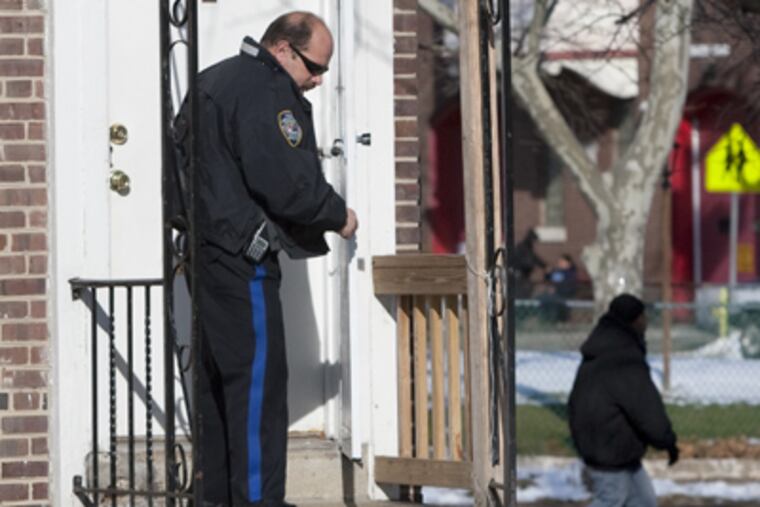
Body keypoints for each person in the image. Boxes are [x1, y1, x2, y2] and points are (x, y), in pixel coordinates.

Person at [174, 12, 357, 507]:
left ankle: (215, 497)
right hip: (242, 258)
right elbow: (289, 183)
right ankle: (257, 500)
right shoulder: (268, 92)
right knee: (257, 389)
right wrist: (338, 214)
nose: (317, 81)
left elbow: (178, 176)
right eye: (314, 67)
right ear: (282, 50)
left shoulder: (210, 80)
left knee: (217, 386)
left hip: (204, 255)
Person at [568, 294, 679, 507]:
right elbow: (646, 408)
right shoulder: (624, 358)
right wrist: (666, 440)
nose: (646, 323)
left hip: (613, 447)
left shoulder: (602, 347)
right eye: (643, 318)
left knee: (643, 501)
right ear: (634, 320)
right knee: (611, 499)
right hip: (609, 449)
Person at [538, 254, 577, 322]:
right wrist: (547, 273)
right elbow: (549, 279)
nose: (560, 263)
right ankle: (545, 319)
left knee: (550, 300)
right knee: (541, 297)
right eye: (559, 262)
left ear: (569, 263)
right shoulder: (557, 271)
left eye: (562, 262)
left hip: (563, 295)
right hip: (553, 294)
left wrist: (556, 289)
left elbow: (568, 286)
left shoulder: (570, 273)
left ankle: (552, 320)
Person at [513, 229, 547, 299]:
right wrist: (532, 266)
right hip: (519, 277)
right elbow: (525, 261)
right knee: (521, 294)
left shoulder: (528, 249)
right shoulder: (522, 248)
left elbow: (535, 258)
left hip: (524, 277)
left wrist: (544, 266)